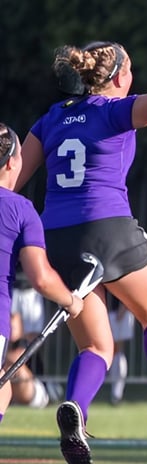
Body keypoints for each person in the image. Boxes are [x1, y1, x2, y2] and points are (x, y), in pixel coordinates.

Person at [15, 26, 147, 464]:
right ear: (120, 76)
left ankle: (77, 409)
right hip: (109, 227)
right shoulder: (114, 111)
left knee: (98, 347)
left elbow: (11, 182)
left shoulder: (50, 118)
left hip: (58, 239)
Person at [0, 123, 84, 425]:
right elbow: (41, 278)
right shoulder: (21, 210)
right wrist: (72, 301)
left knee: (4, 387)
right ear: (12, 162)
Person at [107, 293, 134, 405]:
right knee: (113, 351)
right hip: (112, 311)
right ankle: (115, 391)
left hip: (119, 311)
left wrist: (123, 307)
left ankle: (117, 392)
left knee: (117, 351)